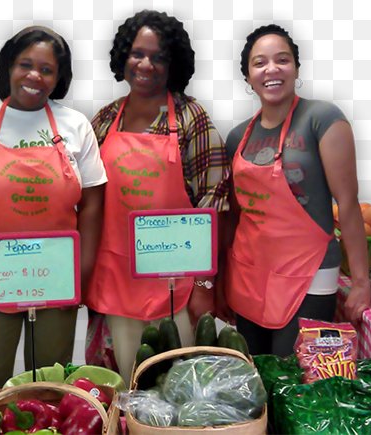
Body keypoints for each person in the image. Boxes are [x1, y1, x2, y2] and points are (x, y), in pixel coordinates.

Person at [0, 26, 107, 432]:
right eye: (25, 65)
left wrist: (80, 271)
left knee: (49, 388)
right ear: (8, 67)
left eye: (47, 69)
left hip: (57, 279)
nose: (35, 76)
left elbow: (94, 200)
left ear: (59, 77)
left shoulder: (75, 124)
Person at [85, 10, 230, 385]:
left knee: (176, 387)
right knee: (128, 388)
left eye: (159, 56)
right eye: (137, 54)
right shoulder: (104, 120)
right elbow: (86, 202)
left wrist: (204, 284)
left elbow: (214, 201)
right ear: (122, 57)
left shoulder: (190, 117)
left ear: (173, 64)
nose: (145, 64)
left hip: (176, 283)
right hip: (116, 278)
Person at [223, 24, 371, 357]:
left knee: (293, 376)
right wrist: (220, 281)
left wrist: (361, 281)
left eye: (282, 60)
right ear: (248, 77)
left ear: (296, 68)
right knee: (255, 374)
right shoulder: (236, 138)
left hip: (309, 272)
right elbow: (235, 215)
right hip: (249, 272)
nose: (272, 69)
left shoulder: (322, 119)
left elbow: (347, 203)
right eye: (259, 63)